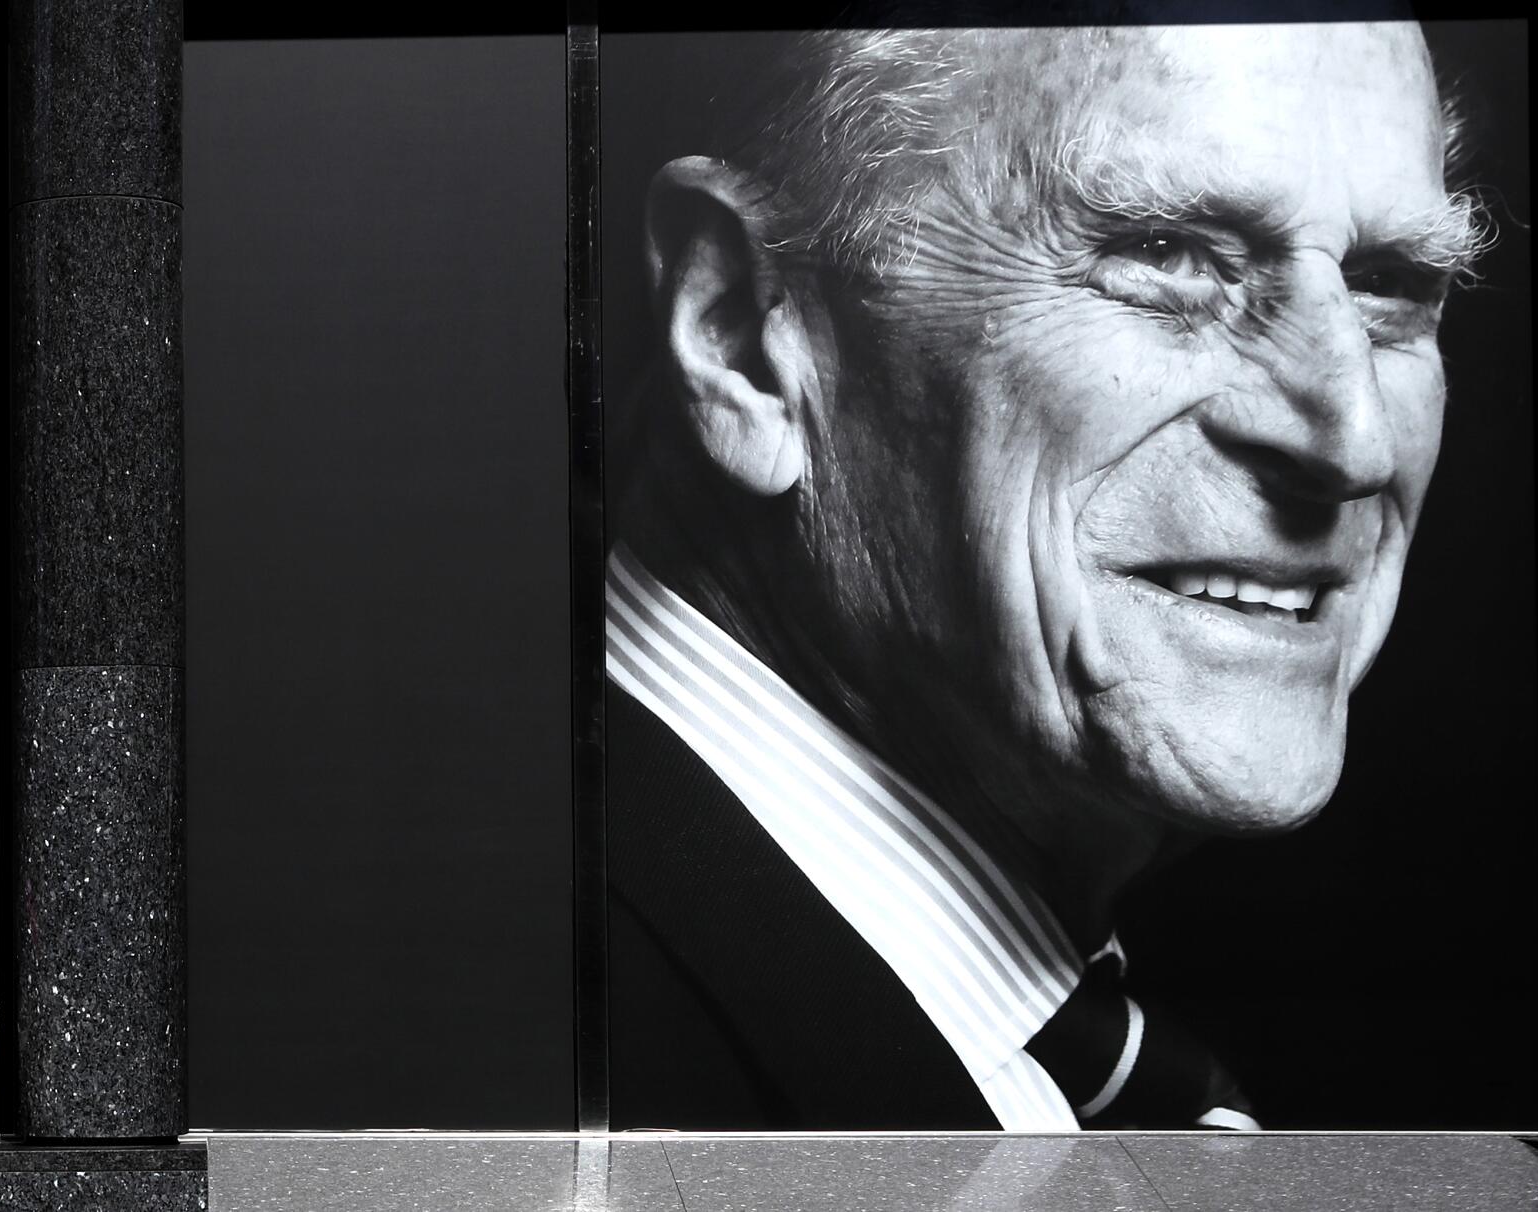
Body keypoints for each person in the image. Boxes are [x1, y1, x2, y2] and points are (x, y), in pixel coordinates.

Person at [605, 19, 1489, 1131]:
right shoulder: (512, 1038)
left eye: (1387, 284)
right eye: (1165, 257)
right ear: (739, 337)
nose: (1352, 440)